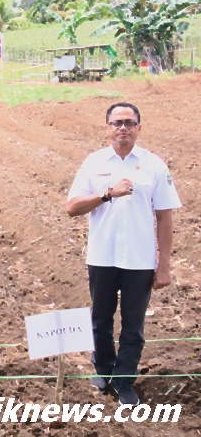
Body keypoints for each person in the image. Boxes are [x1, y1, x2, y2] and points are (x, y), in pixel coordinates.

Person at [66, 102, 180, 407]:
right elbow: (72, 207)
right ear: (107, 128)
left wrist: (164, 265)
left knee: (133, 325)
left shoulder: (154, 165)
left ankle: (124, 380)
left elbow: (165, 217)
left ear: (139, 128)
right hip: (102, 256)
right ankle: (104, 372)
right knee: (100, 320)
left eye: (129, 122)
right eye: (117, 122)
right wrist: (106, 194)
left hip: (139, 259)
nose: (123, 128)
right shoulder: (93, 163)